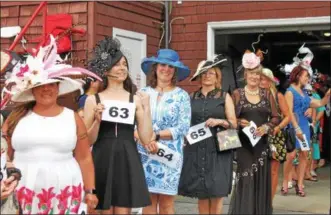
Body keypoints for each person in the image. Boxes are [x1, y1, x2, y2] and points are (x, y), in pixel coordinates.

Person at [1, 36, 99, 214]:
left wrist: (90, 190)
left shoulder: (72, 118)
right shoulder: (15, 117)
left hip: (65, 190)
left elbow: (84, 157)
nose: (47, 89)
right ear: (31, 89)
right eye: (40, 85)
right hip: (21, 188)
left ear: (58, 88)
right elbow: (3, 156)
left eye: (52, 85)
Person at [83, 37, 153, 214]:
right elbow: (86, 141)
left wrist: (146, 108)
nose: (123, 68)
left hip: (127, 156)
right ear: (106, 70)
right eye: (117, 64)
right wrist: (97, 122)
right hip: (101, 156)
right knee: (103, 210)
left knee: (123, 211)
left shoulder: (135, 98)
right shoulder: (93, 100)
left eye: (125, 64)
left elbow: (146, 138)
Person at [178, 55, 237, 214]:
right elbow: (184, 123)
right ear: (199, 76)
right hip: (196, 149)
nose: (207, 76)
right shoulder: (191, 97)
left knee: (217, 192)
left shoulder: (225, 96)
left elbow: (233, 124)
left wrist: (220, 121)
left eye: (211, 73)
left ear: (217, 76)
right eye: (204, 73)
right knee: (202, 193)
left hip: (219, 149)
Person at [135, 49, 191, 214]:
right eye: (163, 65)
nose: (166, 69)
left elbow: (183, 126)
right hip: (145, 153)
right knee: (148, 201)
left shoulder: (182, 96)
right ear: (155, 67)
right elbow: (133, 124)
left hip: (169, 154)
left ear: (175, 71)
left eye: (171, 67)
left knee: (166, 202)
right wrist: (145, 140)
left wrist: (156, 136)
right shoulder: (142, 93)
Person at [228, 52, 279, 215]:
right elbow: (229, 119)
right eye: (251, 73)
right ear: (245, 74)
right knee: (246, 181)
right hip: (244, 146)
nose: (254, 77)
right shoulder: (237, 94)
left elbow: (277, 117)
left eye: (257, 74)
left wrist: (266, 127)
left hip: (261, 146)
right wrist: (238, 122)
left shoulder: (267, 94)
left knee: (260, 182)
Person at [281, 64, 330, 197]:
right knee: (291, 156)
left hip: (304, 126)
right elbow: (289, 112)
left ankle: (300, 184)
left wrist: (328, 94)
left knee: (304, 155)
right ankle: (286, 181)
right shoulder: (290, 92)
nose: (308, 79)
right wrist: (296, 128)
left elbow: (319, 103)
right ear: (297, 76)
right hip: (293, 126)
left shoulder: (304, 93)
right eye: (306, 76)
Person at [259, 68, 290, 201]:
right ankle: (258, 201)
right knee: (258, 171)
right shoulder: (251, 95)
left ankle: (269, 202)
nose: (261, 81)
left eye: (264, 79)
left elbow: (288, 116)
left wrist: (278, 127)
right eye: (259, 78)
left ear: (270, 81)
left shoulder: (278, 96)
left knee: (273, 171)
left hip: (275, 136)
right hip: (257, 135)